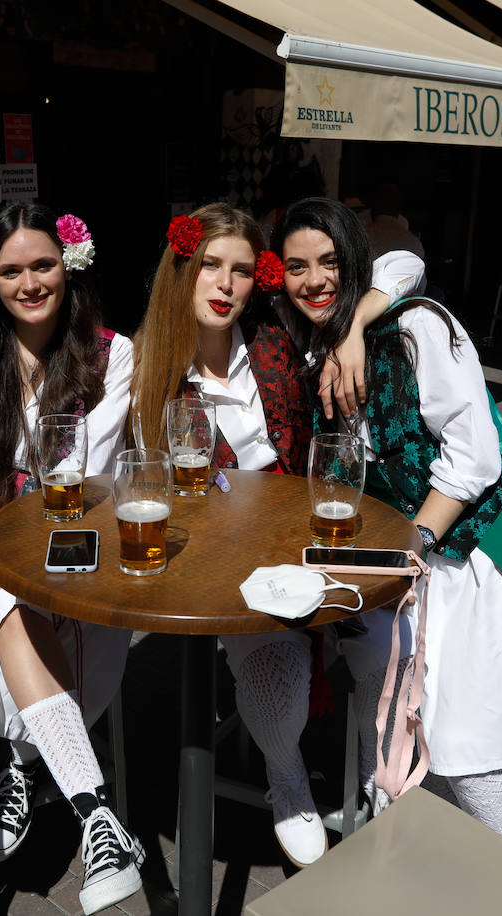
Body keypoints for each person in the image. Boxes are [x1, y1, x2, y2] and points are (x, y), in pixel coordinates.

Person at [274, 197, 502, 849]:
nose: (313, 279)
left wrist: (414, 540)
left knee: (469, 737)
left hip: (480, 550)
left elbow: (476, 456)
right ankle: (419, 839)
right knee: (411, 715)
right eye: (296, 266)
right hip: (410, 562)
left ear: (357, 265)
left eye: (329, 262)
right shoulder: (314, 347)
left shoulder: (416, 328)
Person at [135, 203, 396, 869]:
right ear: (183, 270)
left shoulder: (277, 340)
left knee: (382, 643)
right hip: (223, 562)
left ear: (262, 278)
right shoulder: (148, 371)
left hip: (309, 532)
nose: (225, 284)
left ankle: (379, 774)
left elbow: (401, 264)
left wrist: (352, 331)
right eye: (211, 267)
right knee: (277, 674)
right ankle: (286, 775)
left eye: (243, 270)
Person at [0, 204, 143, 915]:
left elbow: (80, 475)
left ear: (69, 267)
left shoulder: (113, 354)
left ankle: (26, 768)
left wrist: (6, 562)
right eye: (12, 270)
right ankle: (96, 814)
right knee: (9, 602)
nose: (29, 282)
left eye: (43, 265)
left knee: (24, 595)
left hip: (71, 529)